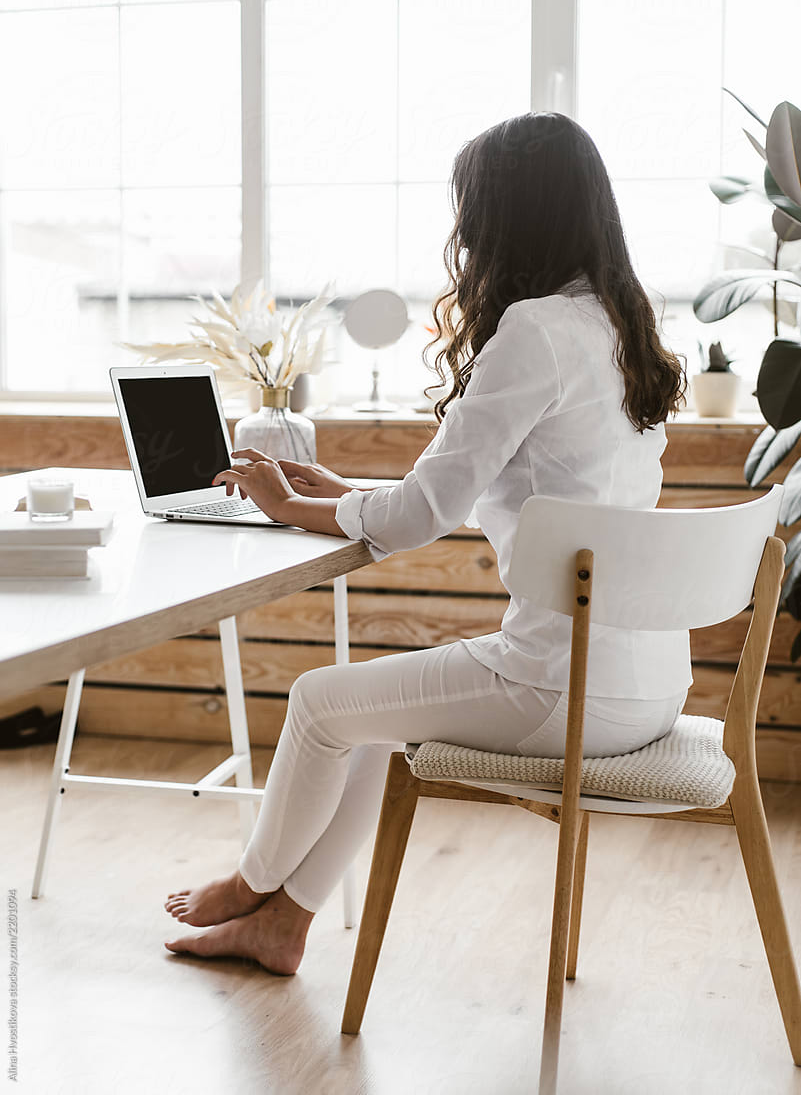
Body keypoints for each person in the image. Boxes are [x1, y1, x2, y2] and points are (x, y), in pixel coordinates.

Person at [164, 111, 691, 974]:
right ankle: (283, 925)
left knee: (317, 699)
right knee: (369, 715)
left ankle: (247, 888)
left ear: (502, 217)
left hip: (563, 693)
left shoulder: (532, 330)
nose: (463, 233)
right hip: (648, 687)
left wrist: (286, 505)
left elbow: (418, 521)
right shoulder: (615, 325)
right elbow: (526, 498)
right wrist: (346, 493)